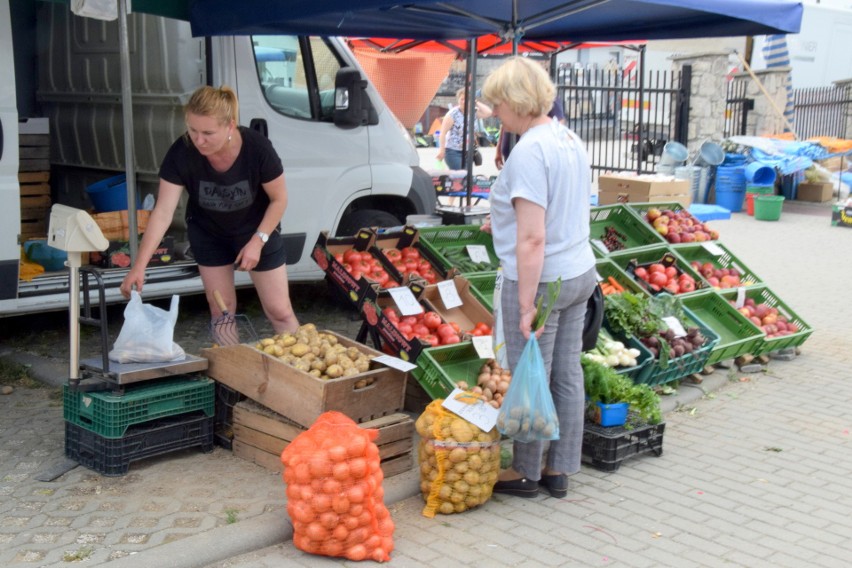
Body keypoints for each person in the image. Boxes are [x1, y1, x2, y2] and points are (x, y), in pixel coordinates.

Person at [481, 57, 597, 499]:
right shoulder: (569, 138)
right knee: (567, 372)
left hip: (543, 280)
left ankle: (526, 471)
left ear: (516, 101)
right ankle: (559, 468)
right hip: (579, 270)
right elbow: (556, 209)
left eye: (498, 104)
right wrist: (504, 222)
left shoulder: (529, 149)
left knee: (533, 372)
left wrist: (527, 305)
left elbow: (532, 239)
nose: (495, 113)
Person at [120, 85, 300, 342]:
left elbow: (279, 199)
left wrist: (257, 241)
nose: (198, 140)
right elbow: (163, 211)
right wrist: (139, 266)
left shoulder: (257, 148)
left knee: (279, 310)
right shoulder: (181, 152)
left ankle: (302, 376)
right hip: (209, 233)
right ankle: (232, 375)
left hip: (258, 229)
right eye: (192, 130)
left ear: (230, 126)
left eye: (207, 133)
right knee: (222, 310)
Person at [494, 96, 565, 170]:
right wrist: (498, 149)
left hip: (530, 156)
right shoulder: (516, 93)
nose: (494, 113)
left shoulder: (547, 96)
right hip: (511, 152)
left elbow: (558, 124)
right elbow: (504, 123)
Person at [436, 87, 492, 171]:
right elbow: (443, 133)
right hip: (453, 151)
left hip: (468, 151)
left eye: (467, 99)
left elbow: (488, 112)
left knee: (467, 176)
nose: (464, 102)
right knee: (460, 175)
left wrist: (476, 101)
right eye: (462, 99)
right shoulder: (453, 114)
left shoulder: (474, 112)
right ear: (458, 100)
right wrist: (441, 150)